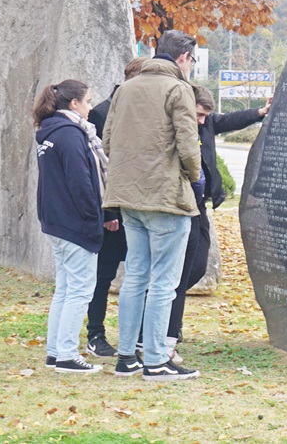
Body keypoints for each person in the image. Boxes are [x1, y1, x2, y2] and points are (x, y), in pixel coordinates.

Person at [103, 30, 202, 381]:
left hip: (129, 197)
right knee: (164, 282)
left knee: (135, 278)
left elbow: (108, 141)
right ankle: (157, 360)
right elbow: (189, 145)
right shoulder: (179, 89)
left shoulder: (126, 88)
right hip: (166, 198)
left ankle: (126, 355)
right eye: (193, 60)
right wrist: (193, 177)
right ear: (184, 57)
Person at [164, 86, 271, 362]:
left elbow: (230, 120)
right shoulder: (174, 124)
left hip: (199, 206)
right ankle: (167, 328)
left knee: (196, 268)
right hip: (177, 205)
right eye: (199, 114)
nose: (202, 120)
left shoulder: (208, 122)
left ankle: (166, 317)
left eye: (206, 116)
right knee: (175, 270)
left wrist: (260, 112)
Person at [33, 80, 104, 374]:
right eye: (87, 101)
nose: (90, 107)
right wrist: (92, 219)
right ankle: (65, 354)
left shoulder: (50, 133)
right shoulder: (71, 135)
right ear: (73, 104)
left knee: (65, 289)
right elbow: (80, 182)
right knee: (79, 291)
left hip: (56, 220)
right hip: (74, 222)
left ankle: (56, 351)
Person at [83, 57, 146, 358]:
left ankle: (139, 335)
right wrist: (109, 212)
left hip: (140, 208)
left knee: (141, 273)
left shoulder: (140, 110)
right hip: (114, 211)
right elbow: (100, 167)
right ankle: (95, 333)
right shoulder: (102, 113)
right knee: (104, 275)